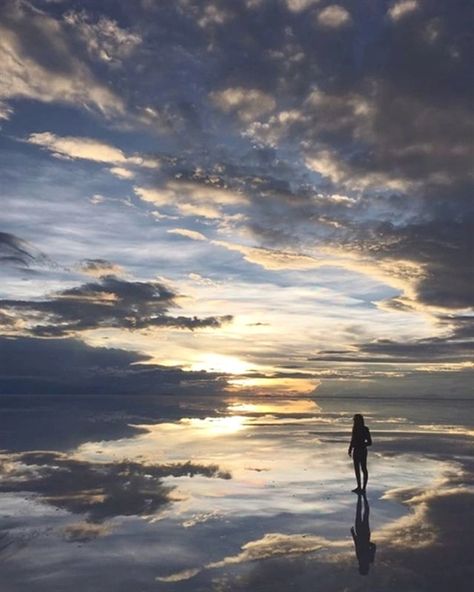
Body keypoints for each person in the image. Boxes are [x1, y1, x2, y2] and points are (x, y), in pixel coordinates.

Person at [351, 492, 376, 575]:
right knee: (364, 515)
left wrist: (353, 534)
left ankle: (360, 498)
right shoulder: (369, 559)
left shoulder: (364, 559)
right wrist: (367, 543)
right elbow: (374, 547)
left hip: (361, 534)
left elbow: (357, 545)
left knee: (360, 514)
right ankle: (363, 498)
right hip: (364, 534)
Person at [348, 414, 372, 493]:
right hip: (356, 450)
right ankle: (359, 487)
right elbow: (352, 439)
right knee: (357, 469)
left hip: (362, 450)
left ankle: (364, 488)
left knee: (363, 468)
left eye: (355, 420)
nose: (354, 421)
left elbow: (370, 442)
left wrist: (361, 444)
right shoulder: (354, 428)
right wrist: (350, 448)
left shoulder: (365, 429)